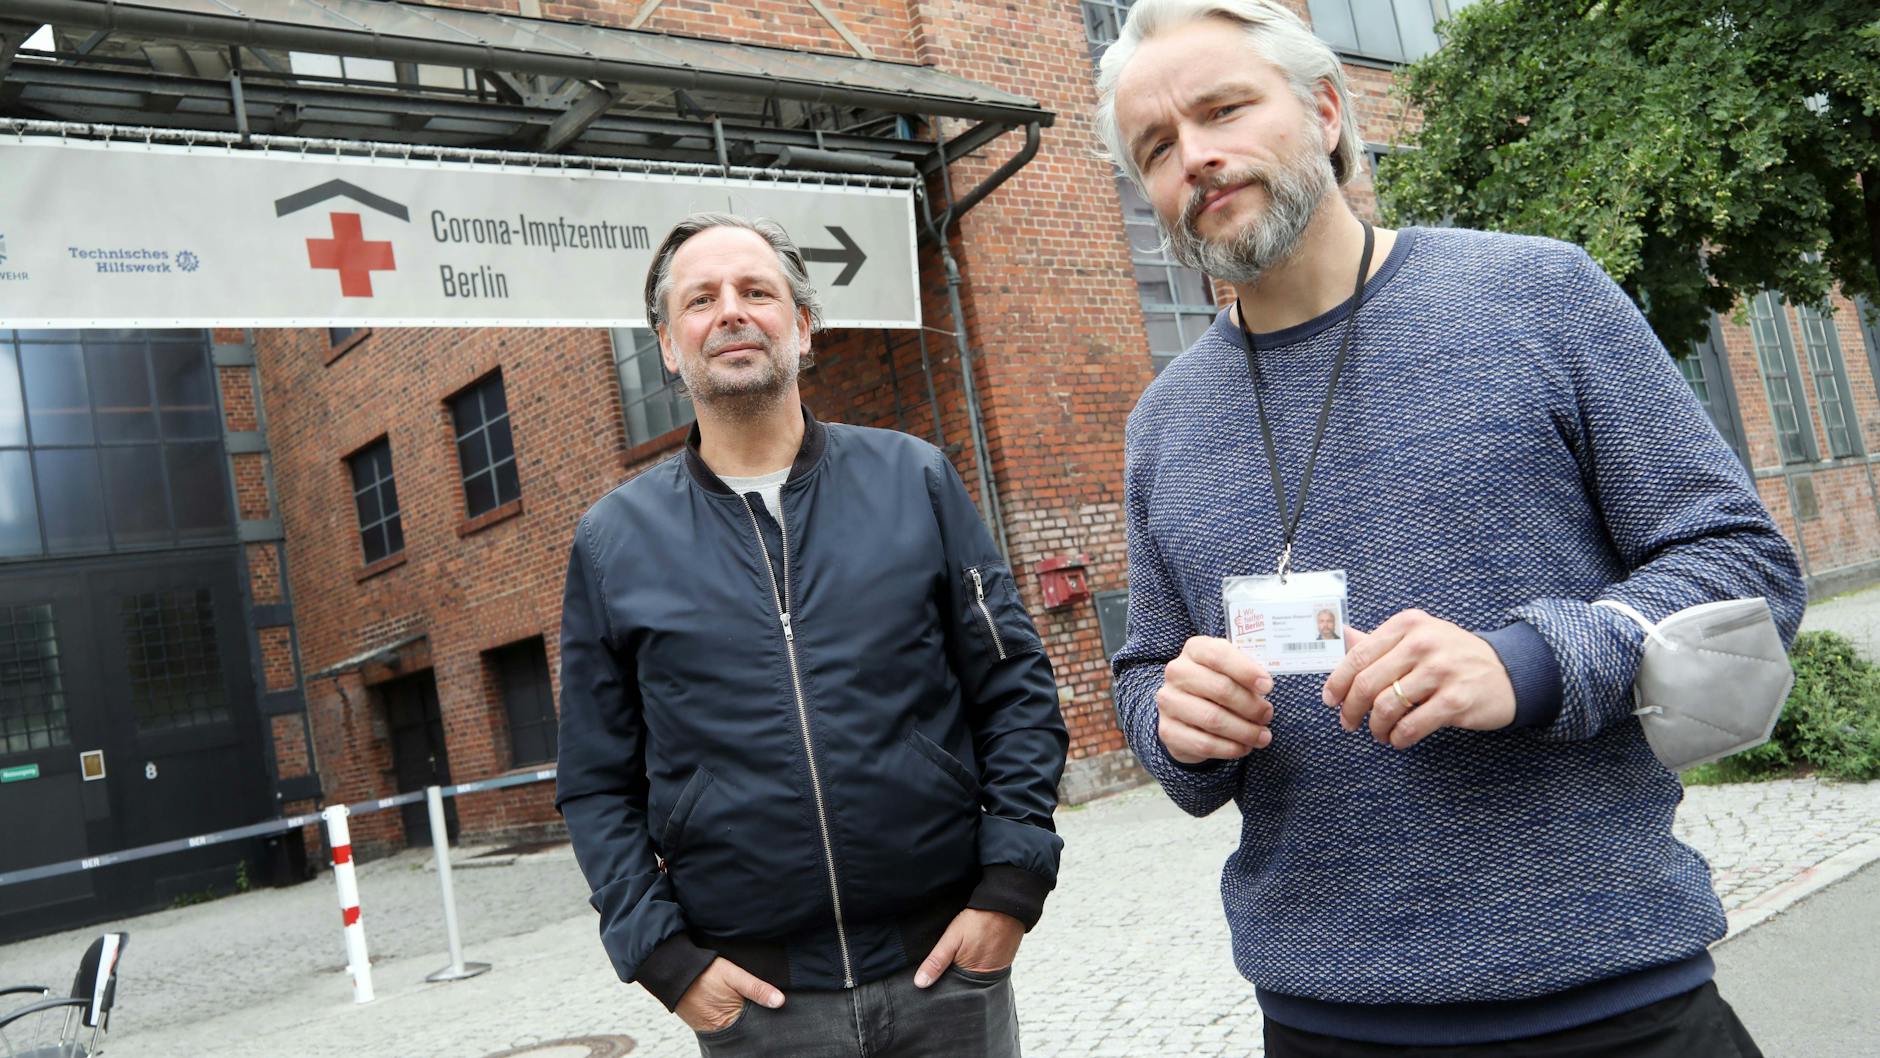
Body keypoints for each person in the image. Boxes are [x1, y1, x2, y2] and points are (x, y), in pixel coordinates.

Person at [1094, 2, 1803, 1055]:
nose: (1194, 156)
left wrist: (1528, 662)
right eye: (1156, 146)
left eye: (1223, 109)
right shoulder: (1162, 423)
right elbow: (1148, 667)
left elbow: (1740, 562)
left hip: (1611, 997)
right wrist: (1170, 719)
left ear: (1326, 110)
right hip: (1319, 1017)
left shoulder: (1539, 297)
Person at [555, 212, 1068, 1057]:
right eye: (701, 299)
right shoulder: (614, 541)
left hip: (945, 976)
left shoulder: (917, 482)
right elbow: (593, 779)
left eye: (757, 291)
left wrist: (1009, 889)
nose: (731, 312)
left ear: (802, 326)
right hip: (759, 1006)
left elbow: (1014, 688)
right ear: (668, 344)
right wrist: (664, 960)